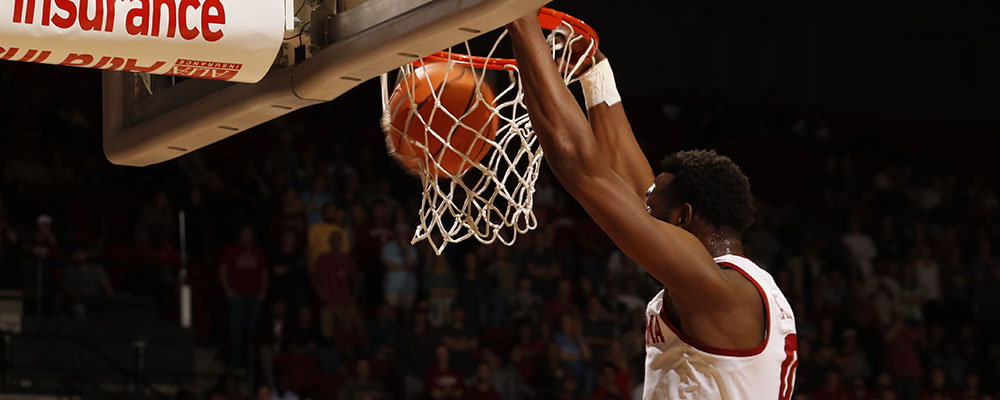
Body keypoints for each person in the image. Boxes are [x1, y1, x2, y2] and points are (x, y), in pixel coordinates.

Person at [507, 14, 798, 399]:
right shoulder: (738, 287)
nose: (641, 210)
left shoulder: (714, 290)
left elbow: (580, 169)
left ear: (683, 217)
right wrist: (594, 73)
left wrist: (519, 18)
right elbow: (631, 183)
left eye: (652, 209)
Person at [219, 225, 269, 367]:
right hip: (237, 297)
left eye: (249, 233)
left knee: (252, 331)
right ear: (240, 235)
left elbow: (265, 274)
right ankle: (235, 363)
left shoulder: (258, 252)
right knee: (235, 330)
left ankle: (250, 364)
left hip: (255, 297)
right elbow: (223, 270)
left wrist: (263, 292)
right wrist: (228, 290)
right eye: (244, 233)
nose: (247, 236)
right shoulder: (232, 250)